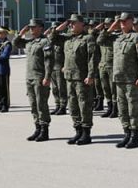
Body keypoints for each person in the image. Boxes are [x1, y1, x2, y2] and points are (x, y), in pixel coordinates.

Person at [98, 12, 138, 149]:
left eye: (125, 21)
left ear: (132, 22)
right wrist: (110, 28)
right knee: (122, 108)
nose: (122, 23)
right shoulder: (117, 38)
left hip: (132, 80)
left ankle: (134, 136)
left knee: (133, 108)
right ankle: (126, 133)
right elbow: (100, 41)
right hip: (119, 79)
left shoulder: (137, 37)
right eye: (120, 21)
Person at [59, 15, 99, 145]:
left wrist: (91, 75)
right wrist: (65, 23)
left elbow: (92, 59)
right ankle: (78, 131)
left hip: (82, 78)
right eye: (70, 24)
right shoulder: (68, 39)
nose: (71, 25)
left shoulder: (88, 39)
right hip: (70, 78)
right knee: (73, 106)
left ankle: (86, 133)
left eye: (73, 23)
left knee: (84, 105)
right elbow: (51, 37)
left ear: (82, 24)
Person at [13, 19, 53, 142]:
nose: (31, 29)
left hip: (40, 77)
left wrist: (47, 77)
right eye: (29, 27)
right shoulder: (29, 42)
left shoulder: (45, 42)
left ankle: (44, 130)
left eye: (33, 27)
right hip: (29, 77)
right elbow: (16, 43)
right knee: (33, 104)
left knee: (41, 104)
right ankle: (37, 128)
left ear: (40, 28)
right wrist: (20, 33)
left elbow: (49, 61)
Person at [97, 17, 119, 118]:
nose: (106, 26)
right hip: (103, 65)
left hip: (112, 65)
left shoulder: (118, 36)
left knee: (113, 88)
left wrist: (113, 27)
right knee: (105, 88)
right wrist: (107, 30)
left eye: (108, 24)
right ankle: (109, 107)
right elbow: (99, 40)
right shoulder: (104, 35)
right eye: (105, 24)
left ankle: (115, 108)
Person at [47, 23, 68, 116]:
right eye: (52, 28)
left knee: (61, 88)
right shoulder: (51, 40)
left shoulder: (63, 39)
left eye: (55, 28)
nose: (53, 30)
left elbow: (67, 54)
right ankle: (57, 105)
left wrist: (65, 66)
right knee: (55, 88)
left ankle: (63, 106)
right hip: (52, 67)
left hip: (60, 67)